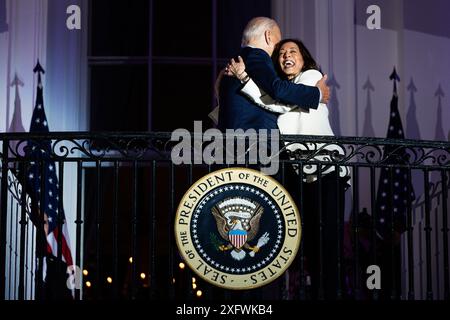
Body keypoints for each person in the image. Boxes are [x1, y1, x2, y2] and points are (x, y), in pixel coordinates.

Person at [226, 39, 350, 300]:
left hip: (326, 169)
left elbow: (278, 101)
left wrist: (315, 93)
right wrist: (243, 76)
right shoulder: (289, 91)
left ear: (304, 58)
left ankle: (331, 293)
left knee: (328, 243)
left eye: (292, 51)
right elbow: (273, 104)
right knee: (309, 244)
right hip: (303, 174)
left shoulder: (313, 77)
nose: (285, 56)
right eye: (281, 53)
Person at [217, 17, 329, 132]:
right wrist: (317, 93)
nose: (282, 53)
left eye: (293, 51)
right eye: (279, 45)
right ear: (268, 36)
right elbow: (277, 90)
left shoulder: (237, 61)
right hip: (255, 141)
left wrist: (244, 78)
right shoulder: (256, 55)